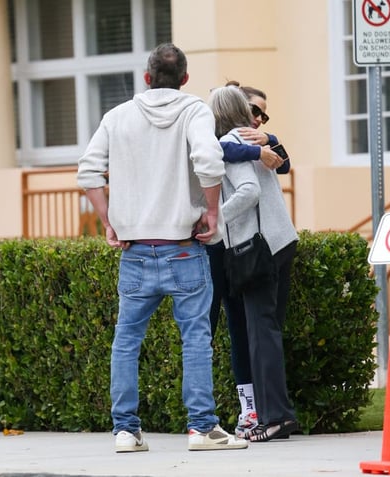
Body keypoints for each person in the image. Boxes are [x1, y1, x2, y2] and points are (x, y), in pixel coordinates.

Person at [76, 43, 248, 453]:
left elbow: (87, 170)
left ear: (147, 78)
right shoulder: (194, 111)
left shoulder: (117, 117)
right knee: (195, 338)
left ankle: (125, 431)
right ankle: (202, 429)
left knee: (126, 340)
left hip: (135, 250)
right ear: (185, 79)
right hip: (184, 248)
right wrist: (211, 211)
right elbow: (208, 159)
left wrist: (109, 221)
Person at [207, 85, 299, 442]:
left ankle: (275, 418)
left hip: (259, 248)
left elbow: (248, 192)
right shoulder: (249, 141)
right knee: (269, 333)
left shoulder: (234, 142)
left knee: (261, 336)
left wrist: (214, 219)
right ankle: (278, 415)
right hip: (282, 241)